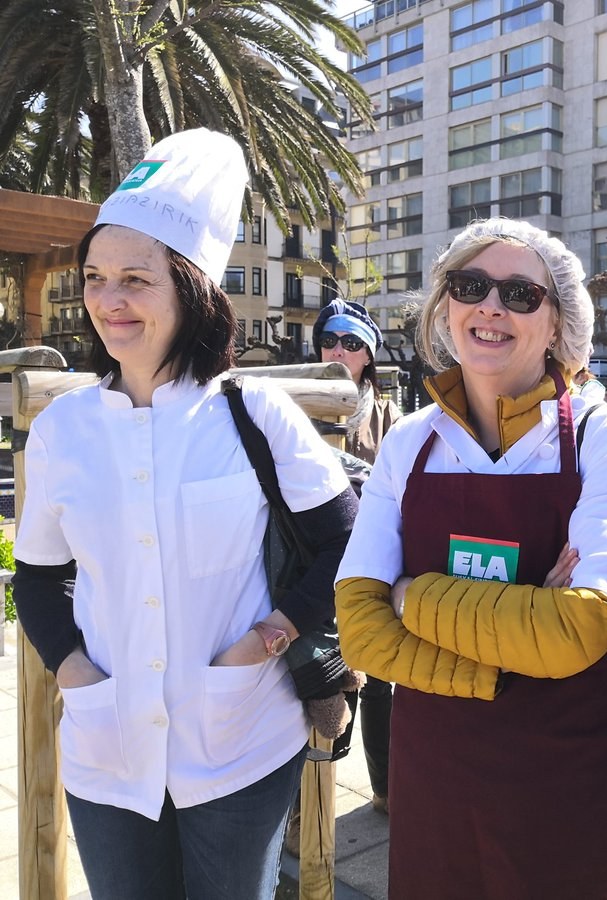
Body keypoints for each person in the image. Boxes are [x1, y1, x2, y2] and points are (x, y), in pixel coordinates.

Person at [12, 129, 356, 900]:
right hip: (110, 750)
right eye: (96, 277)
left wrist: (268, 638)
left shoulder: (254, 412)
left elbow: (348, 542)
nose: (108, 299)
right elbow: (35, 581)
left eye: (136, 278)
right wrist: (76, 673)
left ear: (191, 289)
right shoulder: (64, 430)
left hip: (240, 738)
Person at [334, 217, 607, 899]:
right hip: (443, 799)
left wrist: (410, 598)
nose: (491, 307)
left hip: (590, 795)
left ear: (558, 325)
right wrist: (522, 633)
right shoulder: (411, 443)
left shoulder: (606, 438)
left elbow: (578, 629)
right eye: (471, 286)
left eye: (521, 294)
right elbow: (359, 630)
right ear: (446, 307)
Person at [313, 298, 400, 814]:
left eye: (351, 342)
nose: (338, 351)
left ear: (368, 353)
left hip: (373, 558)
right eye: (329, 340)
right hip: (316, 558)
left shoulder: (389, 413)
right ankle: (310, 800)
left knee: (382, 682)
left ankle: (387, 787)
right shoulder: (298, 403)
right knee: (323, 677)